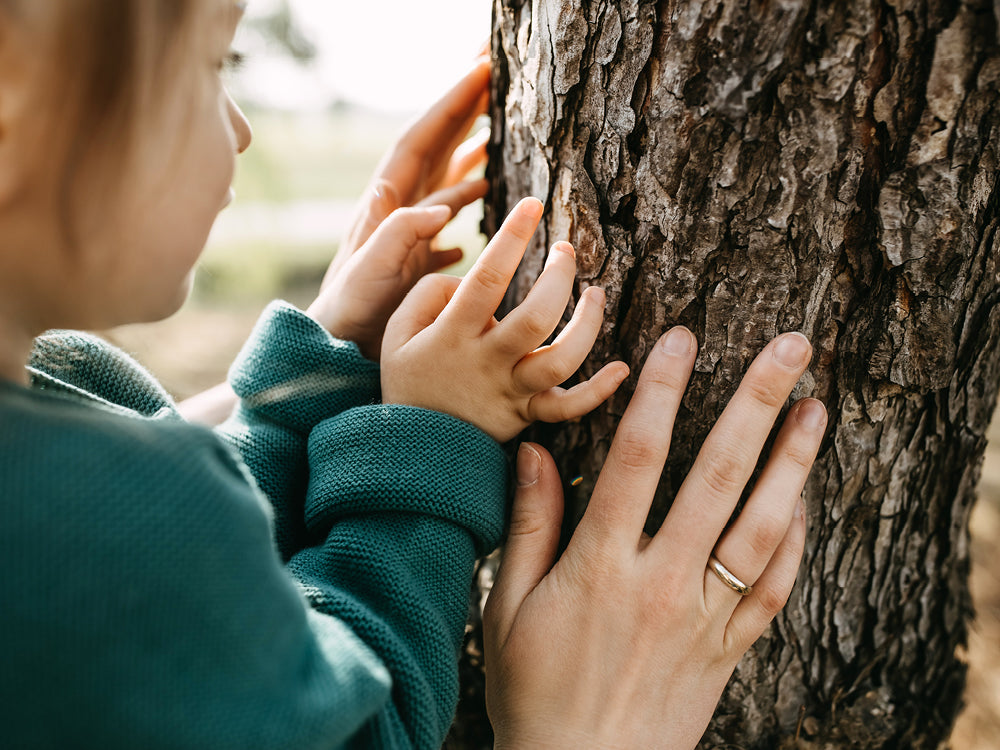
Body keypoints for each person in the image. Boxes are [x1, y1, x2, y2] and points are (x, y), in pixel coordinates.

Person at [0, 1, 827, 748]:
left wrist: (315, 376)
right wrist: (433, 439)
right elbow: (364, 725)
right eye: (218, 64)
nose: (242, 128)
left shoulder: (48, 404)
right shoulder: (80, 531)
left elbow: (173, 621)